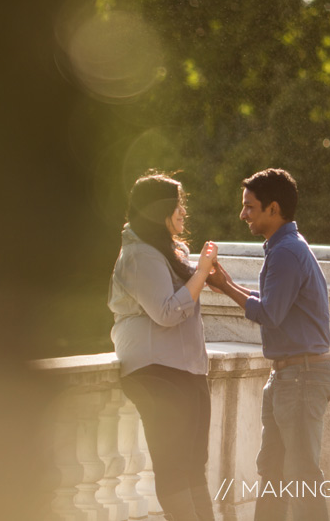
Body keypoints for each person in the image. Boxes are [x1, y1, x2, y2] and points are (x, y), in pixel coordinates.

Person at [205, 168, 330, 521]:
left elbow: (270, 313)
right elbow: (275, 302)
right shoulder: (286, 248)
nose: (243, 214)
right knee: (273, 473)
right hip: (290, 377)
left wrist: (225, 288)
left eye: (249, 207)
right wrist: (228, 284)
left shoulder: (286, 253)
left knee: (302, 475)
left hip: (302, 377)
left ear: (273, 209)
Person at [108, 172, 219, 521]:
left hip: (188, 369)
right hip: (155, 371)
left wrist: (203, 273)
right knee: (173, 466)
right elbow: (167, 313)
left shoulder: (170, 253)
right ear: (159, 211)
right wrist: (199, 274)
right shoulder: (139, 256)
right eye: (177, 205)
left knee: (194, 464)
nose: (184, 212)